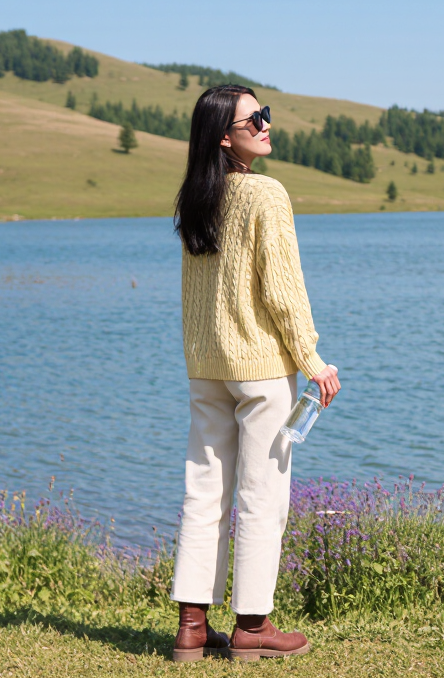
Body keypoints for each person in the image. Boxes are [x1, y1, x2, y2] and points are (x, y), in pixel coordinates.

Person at [169, 84, 341, 662]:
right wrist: (312, 359)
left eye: (265, 115)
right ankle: (252, 627)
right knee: (262, 497)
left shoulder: (195, 198)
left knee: (205, 494)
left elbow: (199, 295)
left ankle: (193, 627)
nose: (267, 124)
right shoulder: (265, 194)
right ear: (225, 136)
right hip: (261, 369)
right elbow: (283, 291)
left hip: (207, 367)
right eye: (254, 119)